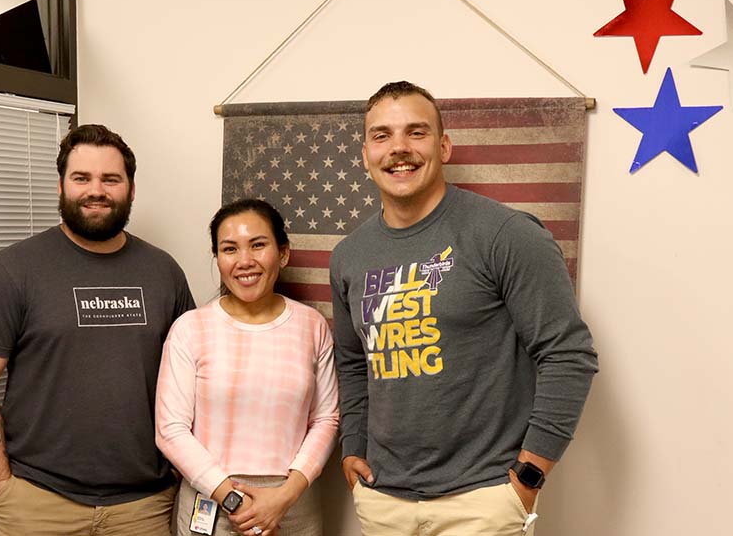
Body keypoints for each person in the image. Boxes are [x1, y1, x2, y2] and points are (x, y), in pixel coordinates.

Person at [329, 81, 599, 536]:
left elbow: (568, 355)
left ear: (444, 145)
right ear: (365, 155)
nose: (398, 148)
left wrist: (529, 476)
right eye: (382, 136)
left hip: (482, 501)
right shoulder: (349, 255)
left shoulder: (506, 233)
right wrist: (353, 444)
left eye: (416, 132)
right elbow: (354, 363)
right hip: (383, 500)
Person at [0, 124, 195, 535]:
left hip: (144, 505)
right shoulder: (13, 270)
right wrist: (0, 485)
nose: (96, 190)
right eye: (81, 178)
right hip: (38, 502)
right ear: (61, 186)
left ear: (131, 189)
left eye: (111, 179)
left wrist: (179, 470)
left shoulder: (163, 272)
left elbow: (193, 377)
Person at [156, 199, 339, 536]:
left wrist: (284, 497)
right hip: (212, 504)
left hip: (292, 506)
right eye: (229, 249)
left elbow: (326, 419)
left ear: (282, 253)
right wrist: (233, 501)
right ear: (218, 258)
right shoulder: (190, 328)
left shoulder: (312, 326)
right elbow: (171, 429)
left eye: (258, 245)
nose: (245, 261)